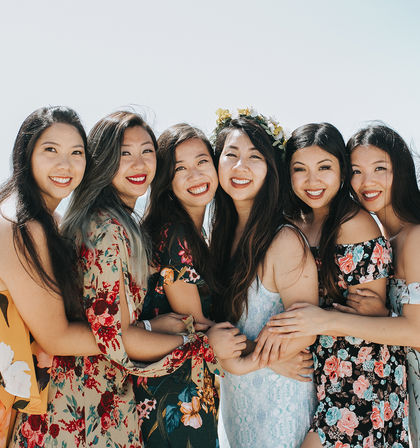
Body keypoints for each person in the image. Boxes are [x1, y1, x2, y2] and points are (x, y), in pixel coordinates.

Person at [11, 111, 220, 447]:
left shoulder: (120, 226)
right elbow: (116, 338)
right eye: (125, 153)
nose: (138, 163)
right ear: (104, 160)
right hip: (82, 403)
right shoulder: (107, 229)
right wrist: (199, 344)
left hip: (98, 394)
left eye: (147, 151)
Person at [263, 123, 409, 447]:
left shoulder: (354, 223)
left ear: (341, 170)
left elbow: (371, 314)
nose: (312, 181)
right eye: (300, 169)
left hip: (363, 375)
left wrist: (320, 318)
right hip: (322, 373)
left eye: (324, 168)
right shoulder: (293, 221)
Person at [210, 109, 319, 447]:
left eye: (254, 157)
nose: (240, 167)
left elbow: (305, 332)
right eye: (231, 155)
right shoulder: (221, 235)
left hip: (279, 401)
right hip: (238, 396)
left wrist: (253, 357)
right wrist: (250, 354)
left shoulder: (283, 239)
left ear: (272, 170)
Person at [136, 123, 246, 447]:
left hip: (188, 386)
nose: (194, 175)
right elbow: (196, 324)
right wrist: (266, 352)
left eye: (201, 162)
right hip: (175, 393)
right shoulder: (174, 234)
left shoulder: (197, 236)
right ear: (166, 181)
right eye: (179, 168)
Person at [0, 106, 103, 448]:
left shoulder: (45, 220)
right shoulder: (22, 226)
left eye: (77, 153)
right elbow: (57, 337)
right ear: (25, 154)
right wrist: (141, 333)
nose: (66, 165)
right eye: (51, 150)